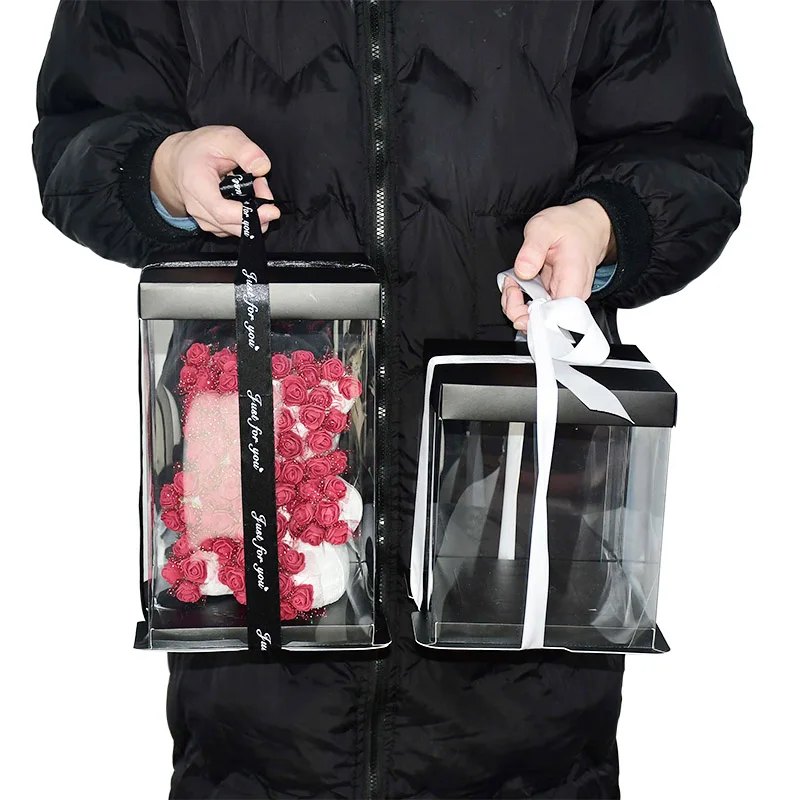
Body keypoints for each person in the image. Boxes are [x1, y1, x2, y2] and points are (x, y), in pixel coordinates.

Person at [33, 1, 751, 797]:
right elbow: (79, 134)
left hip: (513, 511)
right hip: (255, 525)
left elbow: (687, 146)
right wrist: (162, 170)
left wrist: (602, 223)